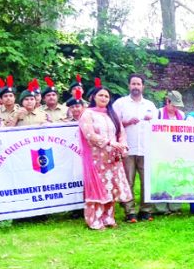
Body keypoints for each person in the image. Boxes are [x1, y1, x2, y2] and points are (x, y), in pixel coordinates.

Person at [79, 87, 133, 230]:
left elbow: (121, 133)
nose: (103, 98)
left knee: (111, 188)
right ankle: (94, 220)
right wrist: (109, 142)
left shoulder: (112, 114)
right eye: (100, 95)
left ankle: (108, 218)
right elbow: (89, 134)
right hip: (96, 159)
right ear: (93, 97)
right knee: (98, 188)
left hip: (113, 158)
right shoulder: (87, 114)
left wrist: (123, 146)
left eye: (106, 96)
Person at [112, 74, 158, 223]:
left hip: (146, 149)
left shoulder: (150, 105)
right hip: (127, 149)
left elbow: (158, 127)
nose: (136, 87)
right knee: (128, 182)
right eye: (133, 84)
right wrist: (126, 122)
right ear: (129, 86)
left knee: (147, 181)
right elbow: (112, 125)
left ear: (143, 86)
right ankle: (129, 212)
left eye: (138, 84)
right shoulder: (120, 103)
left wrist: (152, 122)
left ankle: (146, 210)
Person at [152, 90, 185, 215]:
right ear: (167, 101)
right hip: (160, 152)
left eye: (178, 105)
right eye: (174, 104)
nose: (176, 107)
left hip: (176, 152)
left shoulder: (181, 115)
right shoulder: (158, 113)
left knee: (175, 178)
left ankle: (175, 207)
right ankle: (161, 208)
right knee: (161, 179)